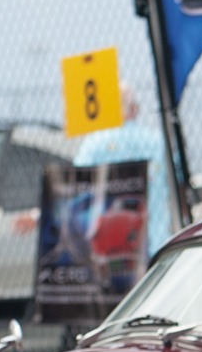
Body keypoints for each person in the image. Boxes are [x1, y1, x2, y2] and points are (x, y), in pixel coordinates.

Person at [72, 84, 174, 255]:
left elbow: (76, 187)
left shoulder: (94, 143)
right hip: (155, 243)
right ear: (134, 108)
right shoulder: (157, 142)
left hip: (110, 245)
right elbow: (175, 182)